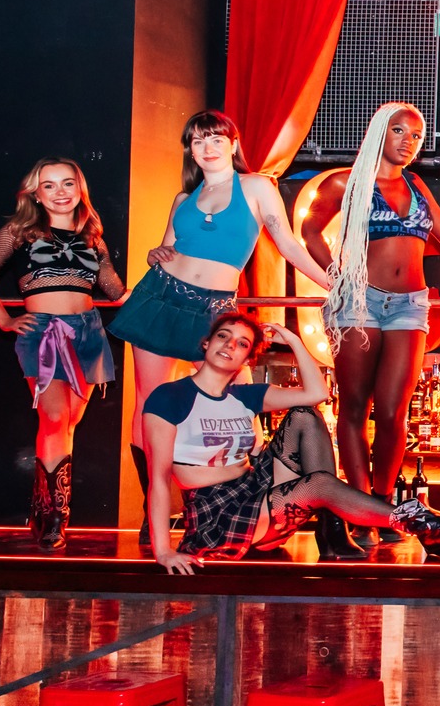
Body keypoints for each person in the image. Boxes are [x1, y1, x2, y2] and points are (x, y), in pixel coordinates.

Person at [110, 111, 333, 545]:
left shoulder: (257, 186)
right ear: (191, 151)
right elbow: (168, 248)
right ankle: (156, 511)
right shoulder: (183, 198)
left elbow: (287, 244)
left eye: (215, 139)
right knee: (148, 407)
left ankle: (240, 507)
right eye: (198, 141)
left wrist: (333, 285)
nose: (207, 147)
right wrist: (156, 253)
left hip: (214, 311)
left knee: (236, 404)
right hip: (161, 298)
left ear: (233, 144)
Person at [302, 103, 440, 534]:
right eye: (399, 131)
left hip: (410, 305)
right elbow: (309, 231)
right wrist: (338, 279)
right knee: (354, 407)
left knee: (394, 412)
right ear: (380, 131)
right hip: (358, 303)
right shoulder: (346, 183)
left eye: (416, 136)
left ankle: (382, 509)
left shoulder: (415, 186)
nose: (408, 141)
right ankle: (358, 512)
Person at [145, 312, 440, 573]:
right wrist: (163, 551)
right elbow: (158, 479)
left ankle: (331, 526)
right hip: (218, 517)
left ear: (247, 360)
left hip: (256, 493)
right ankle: (425, 523)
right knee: (319, 483)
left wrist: (294, 341)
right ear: (206, 344)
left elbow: (317, 394)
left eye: (242, 343)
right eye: (223, 336)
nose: (229, 345)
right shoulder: (171, 396)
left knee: (304, 415)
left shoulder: (244, 396)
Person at [0, 158, 126, 549]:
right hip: (43, 333)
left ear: (80, 189)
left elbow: (115, 291)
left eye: (67, 183)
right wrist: (4, 320)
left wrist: (166, 269)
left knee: (70, 421)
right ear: (36, 194)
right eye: (50, 185)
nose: (60, 192)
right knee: (54, 418)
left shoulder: (93, 236)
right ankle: (55, 517)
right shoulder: (19, 232)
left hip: (87, 333)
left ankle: (46, 510)